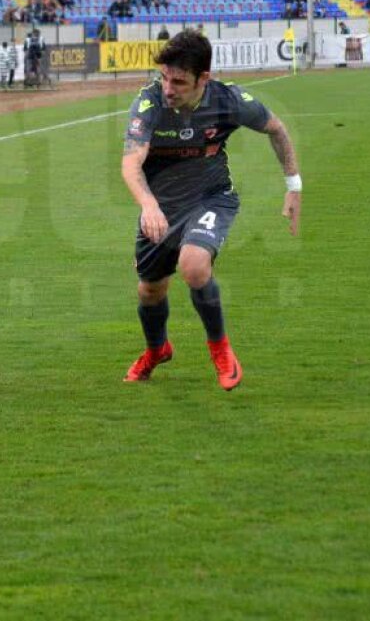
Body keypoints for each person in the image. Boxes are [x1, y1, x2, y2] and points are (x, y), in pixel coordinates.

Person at [121, 31, 301, 391]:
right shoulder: (149, 103)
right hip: (162, 208)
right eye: (164, 78)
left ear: (204, 78)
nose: (168, 88)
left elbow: (276, 128)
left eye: (179, 81)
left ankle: (220, 349)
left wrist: (293, 186)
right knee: (149, 292)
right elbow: (130, 164)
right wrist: (149, 205)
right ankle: (157, 350)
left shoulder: (229, 100)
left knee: (193, 265)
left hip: (211, 198)